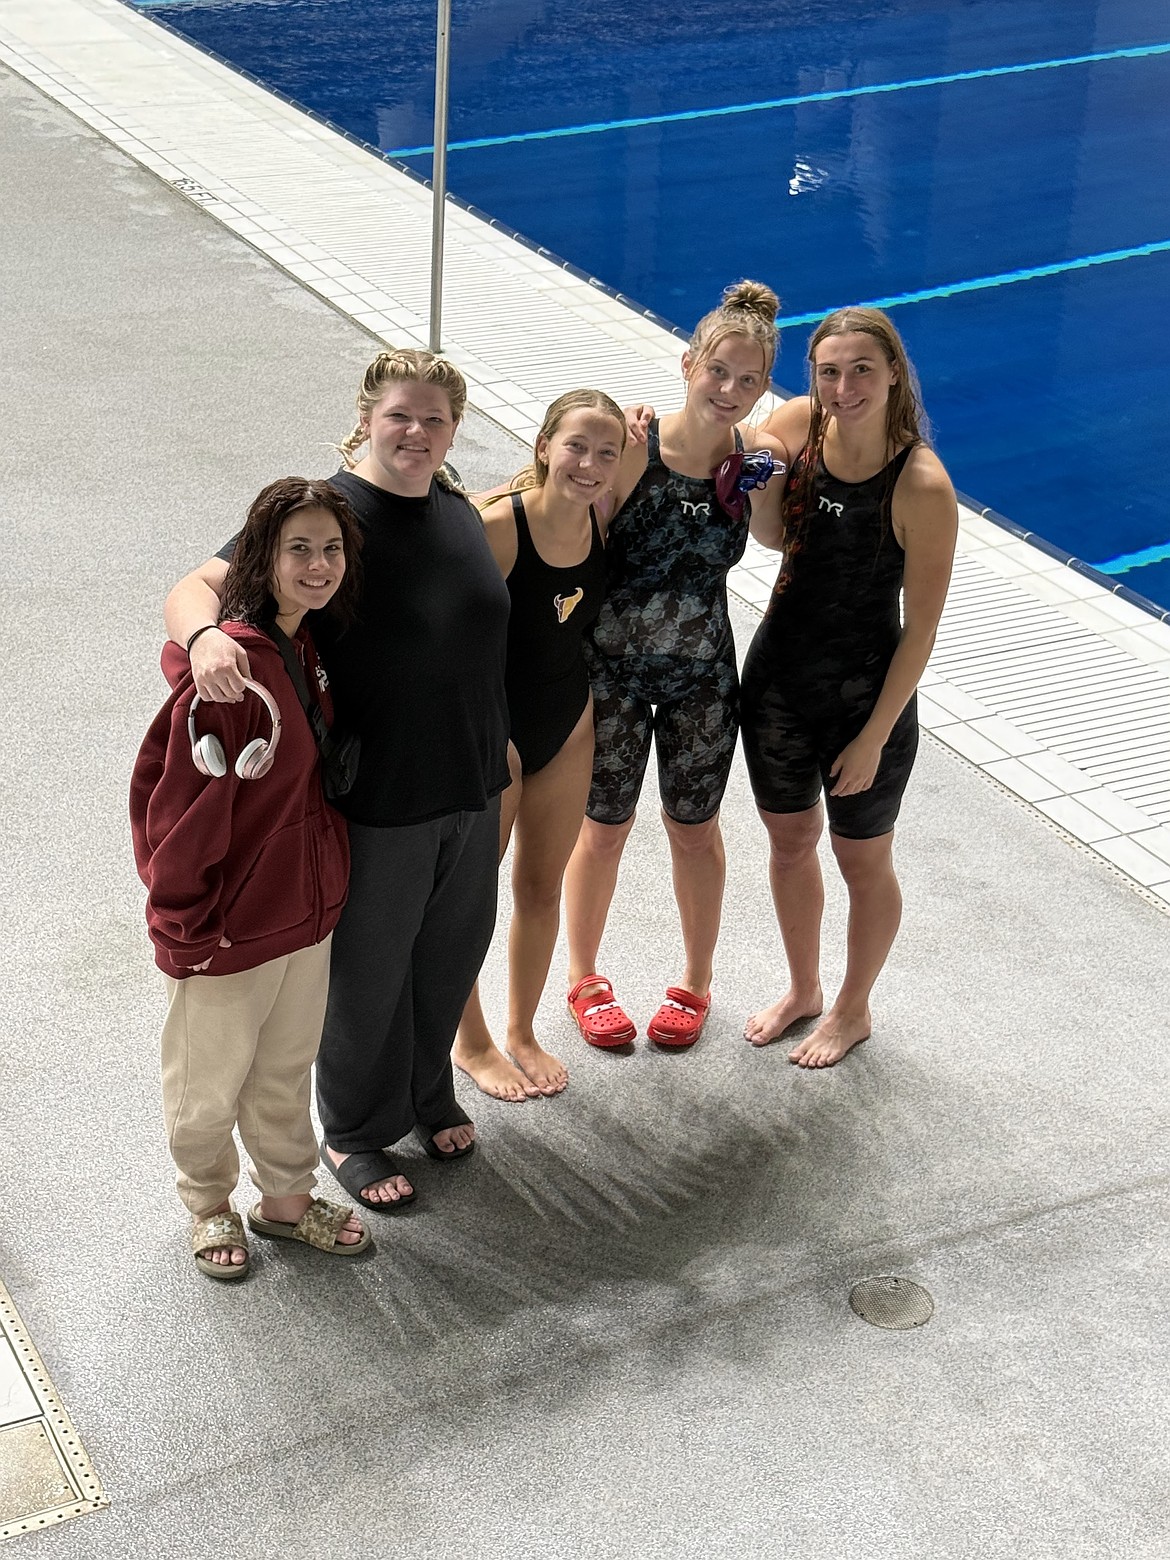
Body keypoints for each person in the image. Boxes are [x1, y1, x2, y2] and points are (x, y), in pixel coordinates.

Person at [163, 349, 511, 1213]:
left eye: (436, 420)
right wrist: (207, 638)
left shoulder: (458, 508)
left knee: (448, 957)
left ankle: (428, 1095)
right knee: (370, 974)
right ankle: (354, 1129)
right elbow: (197, 584)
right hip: (381, 793)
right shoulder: (331, 511)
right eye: (401, 415)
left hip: (470, 786)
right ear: (365, 415)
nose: (417, 433)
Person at [131, 477, 370, 1279]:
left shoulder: (306, 645)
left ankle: (287, 1200)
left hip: (303, 914)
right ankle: (206, 1204)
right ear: (258, 556)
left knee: (283, 1068)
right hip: (227, 927)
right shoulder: (230, 674)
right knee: (206, 1085)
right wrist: (184, 929)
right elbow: (175, 814)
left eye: (331, 548)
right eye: (297, 548)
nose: (317, 564)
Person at [563, 280, 788, 1050]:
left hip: (703, 677)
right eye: (717, 371)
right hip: (612, 674)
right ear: (689, 362)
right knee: (604, 827)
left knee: (695, 829)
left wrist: (773, 462)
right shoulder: (631, 445)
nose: (729, 390)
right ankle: (584, 977)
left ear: (764, 386)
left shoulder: (754, 459)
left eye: (748, 380)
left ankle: (695, 980)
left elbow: (772, 540)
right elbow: (573, 532)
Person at [741, 306, 957, 1066]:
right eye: (829, 371)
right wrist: (757, 460)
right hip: (776, 680)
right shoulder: (801, 425)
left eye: (862, 368)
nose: (844, 386)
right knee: (790, 841)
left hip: (866, 699)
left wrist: (872, 737)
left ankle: (852, 1007)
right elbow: (770, 531)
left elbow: (922, 629)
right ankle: (803, 988)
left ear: (894, 371)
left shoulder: (922, 482)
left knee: (863, 858)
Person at [452, 391, 625, 1101]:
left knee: (540, 888)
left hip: (569, 724)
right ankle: (471, 1041)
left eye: (605, 453)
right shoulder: (500, 530)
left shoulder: (603, 519)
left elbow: (676, 439)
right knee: (469, 896)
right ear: (545, 445)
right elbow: (450, 646)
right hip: (500, 732)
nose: (588, 464)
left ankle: (521, 1030)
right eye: (575, 446)